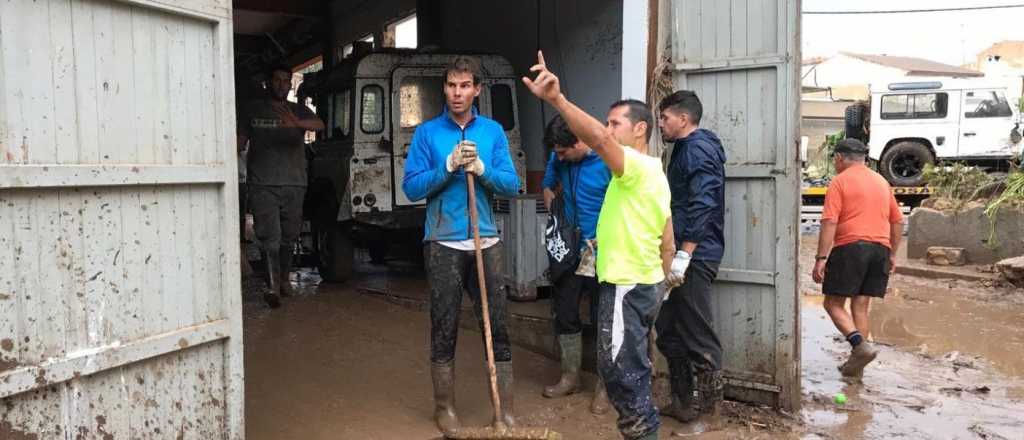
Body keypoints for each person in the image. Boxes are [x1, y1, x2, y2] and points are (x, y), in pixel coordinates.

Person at [523, 51, 679, 440]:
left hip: (626, 284)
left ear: (640, 129)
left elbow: (596, 138)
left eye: (615, 123)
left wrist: (557, 99)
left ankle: (642, 434)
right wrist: (662, 280)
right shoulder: (653, 172)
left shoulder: (635, 167)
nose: (609, 130)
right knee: (627, 366)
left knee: (621, 371)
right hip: (638, 282)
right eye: (608, 123)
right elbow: (667, 233)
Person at [401, 56, 521, 434]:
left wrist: (482, 170)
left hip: (485, 240)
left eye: (465, 85)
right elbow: (412, 187)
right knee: (444, 324)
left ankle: (504, 410)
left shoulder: (492, 132)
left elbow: (512, 184)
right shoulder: (427, 134)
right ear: (444, 88)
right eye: (452, 85)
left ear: (476, 90)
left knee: (497, 325)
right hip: (443, 241)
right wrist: (448, 166)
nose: (458, 92)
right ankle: (444, 408)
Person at [655, 90, 728, 427]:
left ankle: (712, 415)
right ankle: (682, 403)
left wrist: (686, 252)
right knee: (668, 327)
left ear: (683, 119)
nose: (661, 123)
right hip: (678, 253)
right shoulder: (683, 149)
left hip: (695, 256)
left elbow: (704, 202)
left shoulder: (698, 148)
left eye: (665, 117)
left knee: (698, 331)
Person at [812, 138, 903, 379]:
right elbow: (898, 221)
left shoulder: (840, 182)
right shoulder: (882, 182)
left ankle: (859, 346)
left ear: (840, 158)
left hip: (851, 247)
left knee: (832, 304)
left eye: (834, 159)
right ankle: (857, 368)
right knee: (860, 306)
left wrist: (821, 258)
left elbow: (829, 221)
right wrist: (892, 253)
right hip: (880, 249)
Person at [539, 115, 612, 414]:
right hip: (569, 254)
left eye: (563, 152)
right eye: (556, 152)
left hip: (604, 252)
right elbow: (546, 186)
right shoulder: (560, 159)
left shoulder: (609, 160)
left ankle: (605, 388)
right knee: (566, 313)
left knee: (604, 319)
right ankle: (570, 377)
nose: (558, 158)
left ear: (580, 141)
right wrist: (557, 220)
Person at [237, 65, 325, 308]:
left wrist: (295, 122)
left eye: (286, 81)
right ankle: (272, 286)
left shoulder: (298, 109)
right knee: (270, 238)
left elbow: (320, 125)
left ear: (290, 85)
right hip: (263, 183)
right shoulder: (252, 110)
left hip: (295, 183)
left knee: (289, 236)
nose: (281, 84)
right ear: (269, 82)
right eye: (277, 80)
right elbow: (239, 142)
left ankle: (284, 279)